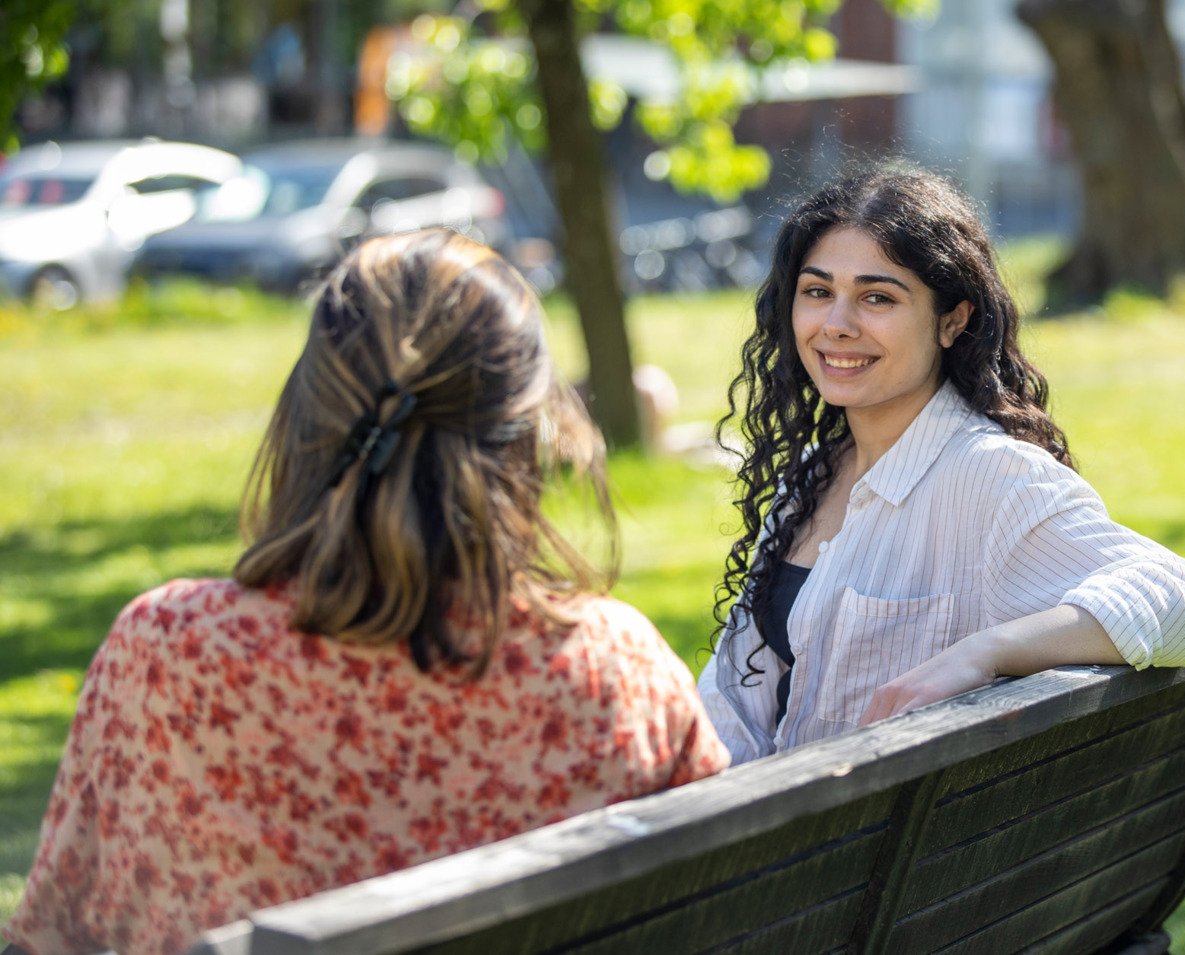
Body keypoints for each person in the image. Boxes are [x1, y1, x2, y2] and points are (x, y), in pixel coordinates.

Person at [4, 230, 728, 955]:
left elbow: (53, 934)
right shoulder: (618, 669)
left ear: (308, 415)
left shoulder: (170, 657)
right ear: (528, 433)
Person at [698, 168, 1185, 764]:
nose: (837, 324)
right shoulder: (812, 475)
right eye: (818, 291)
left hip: (855, 844)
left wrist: (983, 651)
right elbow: (736, 704)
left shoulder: (989, 478)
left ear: (953, 320)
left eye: (878, 298)